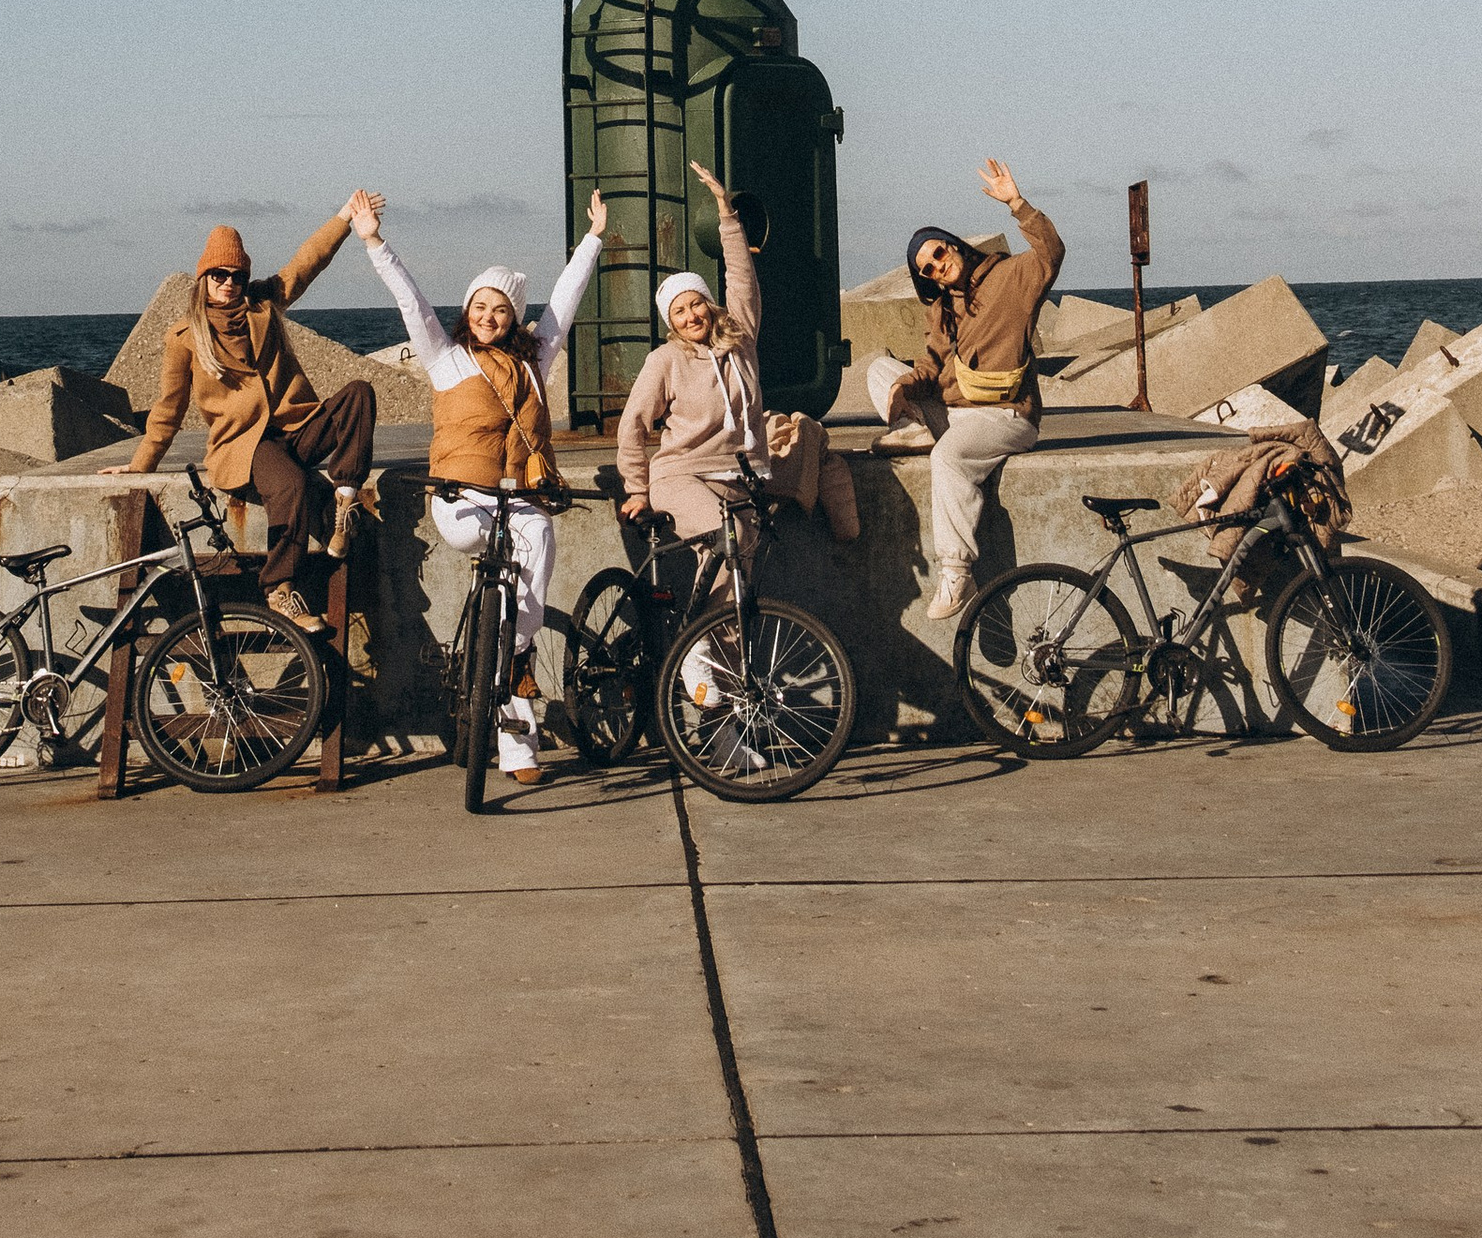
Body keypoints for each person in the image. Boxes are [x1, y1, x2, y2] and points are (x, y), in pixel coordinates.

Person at [354, 189, 609, 785]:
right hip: (461, 499)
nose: (489, 317)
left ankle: (516, 715)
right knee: (503, 548)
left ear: (515, 317)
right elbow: (410, 302)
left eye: (501, 309)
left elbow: (565, 306)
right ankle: (513, 657)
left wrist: (593, 238)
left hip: (520, 493)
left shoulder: (531, 363)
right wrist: (373, 240)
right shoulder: (445, 360)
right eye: (480, 306)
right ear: (467, 310)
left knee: (537, 540)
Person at [127, 195, 383, 644]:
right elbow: (168, 409)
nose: (229, 283)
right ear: (204, 277)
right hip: (245, 446)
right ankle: (279, 587)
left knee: (359, 394)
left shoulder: (264, 304)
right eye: (219, 275)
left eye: (237, 275)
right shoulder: (184, 337)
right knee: (293, 485)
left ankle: (344, 502)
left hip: (295, 428)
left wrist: (344, 217)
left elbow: (307, 263)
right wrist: (138, 466)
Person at [614, 167, 860, 606]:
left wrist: (727, 214)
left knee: (743, 552)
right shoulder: (665, 360)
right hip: (681, 475)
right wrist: (636, 487)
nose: (691, 316)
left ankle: (718, 654)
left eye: (695, 305)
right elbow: (632, 424)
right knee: (726, 537)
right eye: (679, 313)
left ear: (709, 305)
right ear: (670, 323)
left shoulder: (740, 341)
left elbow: (742, 278)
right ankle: (700, 655)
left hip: (738, 476)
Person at [865, 156, 1064, 622]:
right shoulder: (941, 308)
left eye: (938, 252)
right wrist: (904, 388)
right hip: (956, 412)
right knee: (878, 369)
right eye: (926, 268)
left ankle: (957, 573)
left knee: (948, 458)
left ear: (952, 245)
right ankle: (918, 429)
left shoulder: (1011, 277)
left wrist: (1016, 203)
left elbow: (1051, 254)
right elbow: (931, 367)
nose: (937, 266)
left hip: (1006, 416)